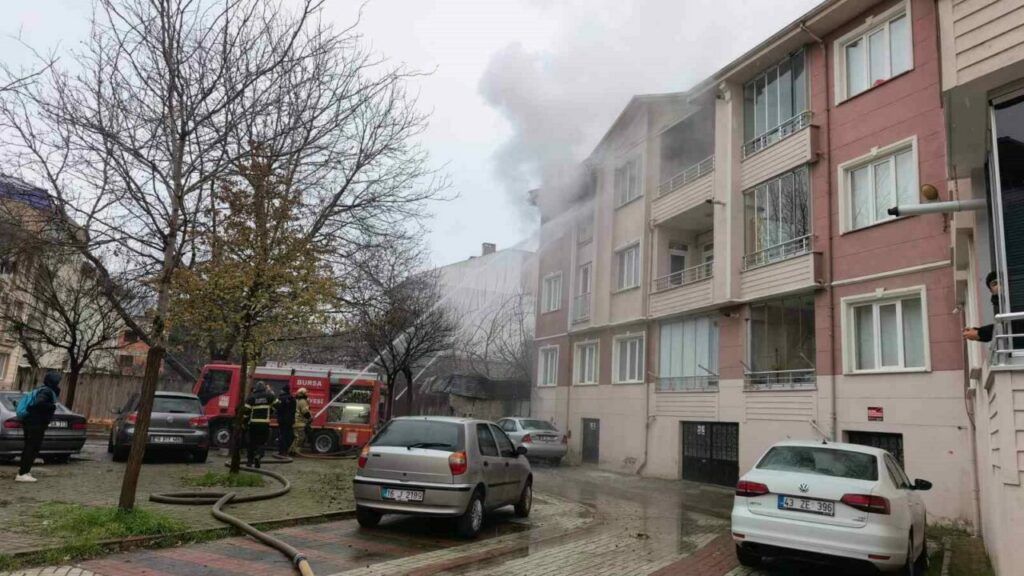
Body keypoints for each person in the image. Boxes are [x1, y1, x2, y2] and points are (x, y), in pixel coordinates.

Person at [16, 371, 61, 483]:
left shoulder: (42, 389)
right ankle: (22, 473)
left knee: (30, 447)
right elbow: (38, 403)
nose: (58, 383)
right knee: (31, 447)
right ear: (53, 381)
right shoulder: (47, 391)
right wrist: (52, 406)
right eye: (57, 381)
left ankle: (25, 471)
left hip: (31, 422)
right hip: (35, 423)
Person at [242, 381, 278, 468]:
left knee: (252, 443)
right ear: (264, 388)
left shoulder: (251, 398)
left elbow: (246, 412)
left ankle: (249, 462)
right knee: (262, 442)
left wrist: (244, 423)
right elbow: (278, 405)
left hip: (253, 424)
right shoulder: (269, 396)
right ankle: (258, 456)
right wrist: (271, 410)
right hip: (264, 424)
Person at [964, 272, 1000, 342]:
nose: (999, 285)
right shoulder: (997, 304)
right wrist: (978, 332)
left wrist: (978, 333)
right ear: (991, 291)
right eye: (995, 284)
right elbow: (1002, 328)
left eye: (1001, 281)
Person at [289, 387, 311, 455]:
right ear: (303, 394)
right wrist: (310, 418)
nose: (307, 394)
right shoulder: (302, 401)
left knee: (297, 437)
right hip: (299, 422)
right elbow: (305, 412)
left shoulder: (297, 400)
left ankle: (292, 450)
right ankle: (293, 451)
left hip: (296, 421)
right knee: (300, 437)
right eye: (306, 393)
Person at [275, 386, 296, 457]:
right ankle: (288, 450)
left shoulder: (280, 398)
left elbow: (277, 408)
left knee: (282, 435)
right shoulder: (292, 398)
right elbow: (294, 410)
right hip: (290, 420)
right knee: (289, 435)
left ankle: (282, 451)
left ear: (283, 390)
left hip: (282, 421)